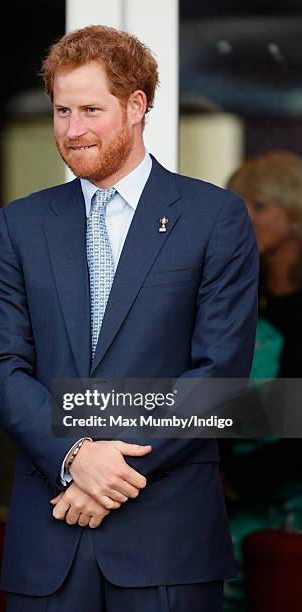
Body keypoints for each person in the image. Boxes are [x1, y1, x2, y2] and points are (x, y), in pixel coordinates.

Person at [0, 26, 258, 612]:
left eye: (90, 110)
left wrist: (111, 470)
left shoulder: (214, 217)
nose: (72, 130)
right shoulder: (20, 225)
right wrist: (76, 455)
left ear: (136, 107)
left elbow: (221, 374)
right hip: (50, 536)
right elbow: (0, 366)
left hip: (167, 541)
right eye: (61, 111)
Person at [221, 150, 302, 611]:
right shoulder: (241, 299)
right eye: (240, 205)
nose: (245, 217)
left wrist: (233, 479)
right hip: (236, 499)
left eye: (260, 206)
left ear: (294, 213)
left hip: (286, 501)